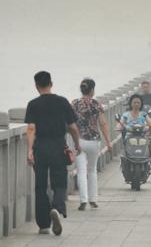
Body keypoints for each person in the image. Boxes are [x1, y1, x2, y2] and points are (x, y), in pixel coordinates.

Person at [24, 71, 81, 236]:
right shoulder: (62, 102)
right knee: (60, 182)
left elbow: (31, 128)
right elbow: (72, 127)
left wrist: (29, 150)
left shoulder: (33, 104)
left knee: (40, 185)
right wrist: (77, 144)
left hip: (40, 147)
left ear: (36, 86)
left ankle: (43, 224)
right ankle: (56, 207)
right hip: (58, 146)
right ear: (51, 83)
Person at [72, 79, 112, 211]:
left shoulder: (75, 103)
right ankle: (93, 199)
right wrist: (108, 142)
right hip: (94, 141)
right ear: (92, 90)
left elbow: (71, 123)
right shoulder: (96, 104)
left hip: (79, 141)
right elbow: (103, 124)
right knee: (92, 170)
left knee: (81, 171)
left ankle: (83, 200)